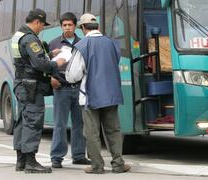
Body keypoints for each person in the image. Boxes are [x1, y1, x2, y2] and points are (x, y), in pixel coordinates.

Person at [65, 13, 130, 174]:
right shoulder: (112, 43)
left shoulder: (82, 46)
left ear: (82, 28)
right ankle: (118, 164)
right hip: (111, 94)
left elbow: (73, 75)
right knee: (113, 130)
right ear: (98, 27)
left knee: (92, 133)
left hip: (90, 96)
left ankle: (97, 166)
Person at [11, 9, 66, 173]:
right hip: (31, 86)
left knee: (22, 121)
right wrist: (57, 63)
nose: (42, 28)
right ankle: (30, 162)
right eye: (42, 25)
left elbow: (26, 60)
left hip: (22, 84)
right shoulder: (30, 39)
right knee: (33, 121)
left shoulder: (19, 35)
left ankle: (21, 161)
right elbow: (39, 64)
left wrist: (48, 53)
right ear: (37, 22)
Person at [49, 12, 90, 169]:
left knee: (79, 123)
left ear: (75, 26)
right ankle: (57, 157)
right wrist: (50, 78)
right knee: (60, 124)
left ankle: (79, 155)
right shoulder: (53, 44)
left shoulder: (83, 43)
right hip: (61, 89)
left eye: (70, 25)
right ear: (61, 26)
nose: (67, 28)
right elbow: (44, 64)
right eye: (64, 25)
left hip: (79, 89)